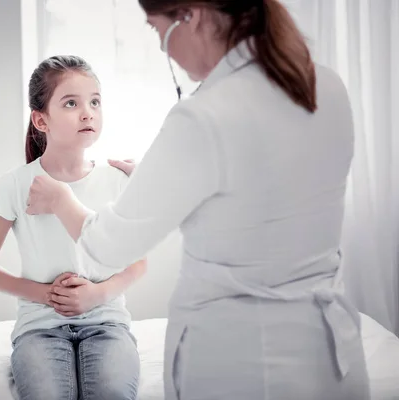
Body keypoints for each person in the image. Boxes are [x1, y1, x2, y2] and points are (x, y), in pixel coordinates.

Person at [25, 1, 370, 399]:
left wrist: (61, 199)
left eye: (157, 30)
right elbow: (265, 198)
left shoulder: (203, 116)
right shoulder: (324, 84)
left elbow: (106, 246)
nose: (160, 48)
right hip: (330, 353)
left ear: (192, 16)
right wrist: (167, 185)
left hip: (244, 365)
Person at [0, 55, 144, 400]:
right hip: (39, 329)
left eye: (95, 101)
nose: (87, 112)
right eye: (70, 103)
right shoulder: (15, 185)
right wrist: (44, 294)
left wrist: (96, 295)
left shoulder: (119, 179)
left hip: (106, 323)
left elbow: (138, 264)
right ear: (41, 120)